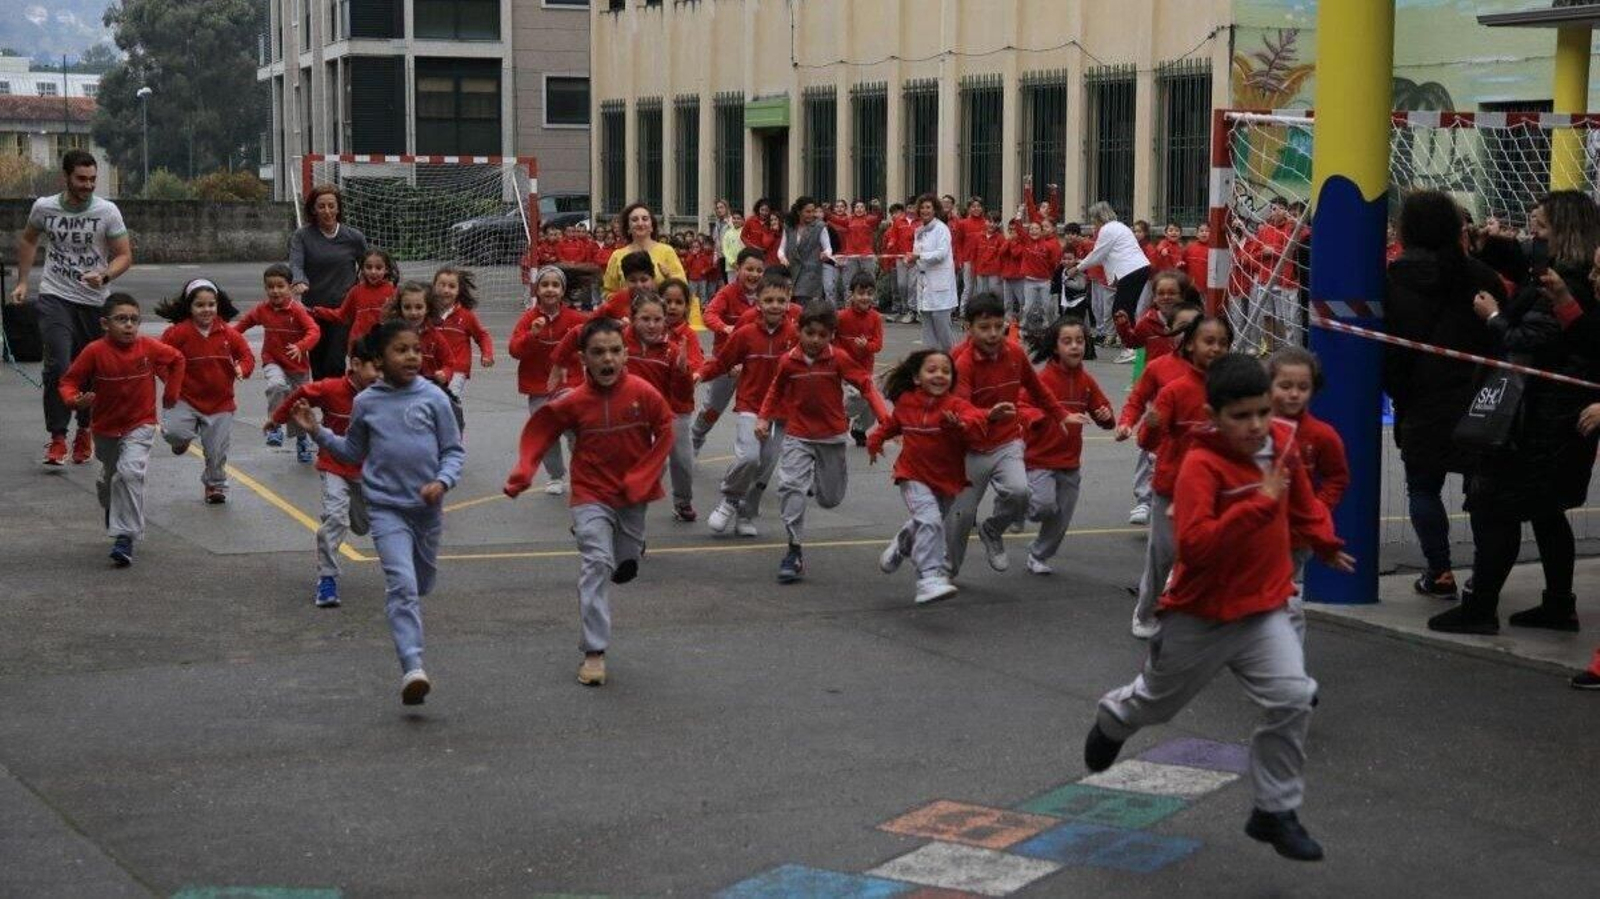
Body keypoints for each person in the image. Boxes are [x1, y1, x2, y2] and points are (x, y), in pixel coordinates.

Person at [1086, 353, 1353, 864]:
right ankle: (1114, 721)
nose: (1255, 426)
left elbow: (1300, 502)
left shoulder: (1281, 442)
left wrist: (1322, 539)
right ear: (1214, 416)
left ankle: (1274, 810)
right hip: (1201, 613)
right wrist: (1257, 505)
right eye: (1240, 416)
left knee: (1294, 698)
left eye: (1261, 412)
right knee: (1156, 704)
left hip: (1263, 607)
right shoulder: (1200, 466)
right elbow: (1197, 547)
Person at [1430, 191, 1600, 636]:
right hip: (1551, 415)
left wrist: (1493, 317)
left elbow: (1533, 338)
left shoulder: (1568, 285)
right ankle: (1558, 603)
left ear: (1564, 231)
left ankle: (1481, 605)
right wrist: (1491, 244)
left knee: (1493, 506)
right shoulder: (1557, 277)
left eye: (1540, 226)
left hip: (1540, 418)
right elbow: (1525, 270)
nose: (1531, 235)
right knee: (1546, 510)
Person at [290, 320, 465, 706]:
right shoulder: (366, 402)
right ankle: (413, 667)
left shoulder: (434, 398)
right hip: (385, 509)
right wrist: (317, 432)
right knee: (401, 586)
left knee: (421, 582)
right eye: (401, 350)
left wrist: (443, 480)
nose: (412, 356)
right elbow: (353, 453)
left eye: (416, 349)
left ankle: (412, 601)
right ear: (380, 360)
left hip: (427, 510)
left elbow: (453, 450)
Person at [505, 317, 674, 688]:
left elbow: (665, 433)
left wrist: (644, 476)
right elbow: (541, 430)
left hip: (632, 495)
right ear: (583, 359)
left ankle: (624, 548)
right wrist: (523, 470)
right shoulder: (574, 401)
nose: (607, 359)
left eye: (614, 351)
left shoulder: (644, 393)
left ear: (626, 353)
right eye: (598, 353)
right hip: (590, 493)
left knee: (624, 560)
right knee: (597, 561)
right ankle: (594, 652)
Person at [1382, 190, 1503, 599]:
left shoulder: (1392, 280)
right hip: (1479, 398)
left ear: (1406, 230)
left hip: (1421, 399)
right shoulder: (1481, 276)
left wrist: (1399, 390)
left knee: (1422, 487)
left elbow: (1390, 351)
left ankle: (1440, 570)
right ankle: (1483, 580)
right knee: (1483, 493)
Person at [10, 149, 133, 466]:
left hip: (94, 302)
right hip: (55, 297)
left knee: (90, 371)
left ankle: (85, 429)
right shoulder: (44, 207)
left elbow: (123, 255)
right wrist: (23, 281)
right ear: (65, 177)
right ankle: (57, 437)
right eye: (81, 179)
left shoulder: (107, 212)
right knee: (58, 366)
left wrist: (105, 274)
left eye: (92, 179)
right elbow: (28, 240)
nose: (88, 185)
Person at [756, 301, 890, 583]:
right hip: (798, 434)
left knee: (830, 499)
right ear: (799, 330)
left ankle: (817, 480)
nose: (815, 340)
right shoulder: (788, 361)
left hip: (830, 435)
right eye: (810, 333)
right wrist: (763, 418)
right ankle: (793, 551)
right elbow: (775, 389)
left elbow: (866, 384)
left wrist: (883, 418)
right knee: (790, 487)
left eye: (822, 334)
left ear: (831, 336)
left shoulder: (838, 359)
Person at [57, 293, 186, 566]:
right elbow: (69, 382)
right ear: (105, 323)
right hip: (105, 427)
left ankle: (124, 537)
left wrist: (171, 396)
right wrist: (74, 400)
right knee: (111, 478)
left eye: (134, 320)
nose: (129, 325)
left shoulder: (148, 347)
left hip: (141, 424)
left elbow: (177, 360)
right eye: (121, 319)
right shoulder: (94, 351)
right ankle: (112, 505)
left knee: (130, 473)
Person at [945, 293, 1066, 575]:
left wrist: (1061, 414)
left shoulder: (1015, 353)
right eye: (984, 327)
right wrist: (987, 415)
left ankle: (992, 530)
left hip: (1006, 442)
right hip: (970, 448)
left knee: (1020, 492)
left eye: (998, 326)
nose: (992, 334)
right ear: (968, 327)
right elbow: (960, 407)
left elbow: (1037, 388)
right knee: (961, 516)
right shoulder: (963, 363)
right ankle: (948, 569)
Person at [1131, 313, 1234, 639]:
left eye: (1222, 342)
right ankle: (1145, 611)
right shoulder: (1174, 391)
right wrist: (1151, 426)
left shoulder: (1231, 390)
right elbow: (1146, 442)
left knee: (1205, 554)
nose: (1215, 348)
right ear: (1189, 344)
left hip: (1215, 490)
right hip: (1171, 487)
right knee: (1162, 554)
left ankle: (1192, 611)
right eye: (1208, 341)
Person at [869, 350, 996, 605]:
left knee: (927, 520)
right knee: (931, 522)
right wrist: (874, 440)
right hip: (912, 476)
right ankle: (928, 578)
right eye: (932, 370)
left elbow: (976, 425)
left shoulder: (956, 406)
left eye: (945, 371)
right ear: (917, 377)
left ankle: (902, 543)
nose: (939, 375)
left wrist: (962, 425)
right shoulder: (907, 401)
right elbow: (893, 423)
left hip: (946, 481)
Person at [271, 343, 381, 609]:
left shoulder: (385, 395)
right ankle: (327, 578)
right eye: (375, 368)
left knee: (362, 525)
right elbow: (301, 393)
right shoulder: (332, 389)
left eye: (384, 368)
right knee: (335, 518)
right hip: (334, 465)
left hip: (367, 472)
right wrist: (277, 419)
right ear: (355, 364)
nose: (380, 374)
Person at [695, 271, 800, 537]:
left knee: (765, 466)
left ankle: (745, 514)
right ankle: (729, 499)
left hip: (781, 412)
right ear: (758, 303)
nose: (775, 305)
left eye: (780, 299)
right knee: (749, 457)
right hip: (750, 405)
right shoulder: (745, 334)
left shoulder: (796, 335)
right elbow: (722, 362)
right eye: (769, 300)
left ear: (788, 301)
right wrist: (699, 374)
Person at [1018, 317, 1114, 575]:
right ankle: (1017, 505)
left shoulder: (1086, 381)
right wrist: (1037, 418)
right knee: (1042, 506)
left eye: (1080, 341)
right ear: (1055, 346)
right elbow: (1021, 406)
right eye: (1067, 341)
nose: (1075, 347)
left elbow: (1102, 410)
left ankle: (1039, 554)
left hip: (1070, 461)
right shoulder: (1043, 379)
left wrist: (1106, 416)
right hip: (1039, 458)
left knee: (1061, 518)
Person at [1267, 346, 1349, 641]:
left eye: (1303, 387)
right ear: (1269, 386)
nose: (1294, 394)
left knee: (1280, 592)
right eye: (1285, 386)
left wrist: (1318, 507)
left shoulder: (1321, 435)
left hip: (1296, 534)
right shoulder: (1254, 427)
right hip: (1254, 528)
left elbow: (1337, 477)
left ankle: (1287, 660)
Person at [155, 278, 255, 504]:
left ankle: (215, 485)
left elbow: (247, 356)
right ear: (189, 307)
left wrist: (242, 368)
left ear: (218, 305)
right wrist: (171, 381)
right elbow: (159, 360)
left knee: (216, 451)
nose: (206, 310)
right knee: (174, 433)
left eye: (211, 304)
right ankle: (182, 441)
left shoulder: (229, 334)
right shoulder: (176, 333)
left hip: (220, 403)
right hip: (185, 398)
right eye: (200, 305)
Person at [509, 266, 588, 496]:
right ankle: (555, 476)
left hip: (569, 383)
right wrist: (532, 335)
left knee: (576, 430)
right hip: (539, 388)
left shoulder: (574, 318)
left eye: (555, 285)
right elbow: (515, 350)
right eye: (545, 285)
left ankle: (583, 470)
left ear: (562, 290)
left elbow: (593, 337)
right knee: (547, 434)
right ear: (537, 289)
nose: (550, 289)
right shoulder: (528, 318)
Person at [236, 263, 322, 463]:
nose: (275, 291)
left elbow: (314, 331)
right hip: (273, 360)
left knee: (299, 405)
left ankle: (302, 440)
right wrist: (225, 339)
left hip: (297, 367)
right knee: (276, 385)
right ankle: (274, 428)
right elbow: (242, 325)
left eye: (280, 286)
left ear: (291, 287)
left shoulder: (298, 310)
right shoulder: (262, 310)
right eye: (270, 286)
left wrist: (301, 346)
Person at [290, 185, 369, 379]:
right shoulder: (302, 236)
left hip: (342, 311)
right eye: (321, 206)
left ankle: (337, 407)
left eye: (331, 206)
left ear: (338, 208)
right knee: (319, 366)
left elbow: (369, 265)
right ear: (313, 210)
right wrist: (299, 281)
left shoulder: (354, 237)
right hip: (313, 310)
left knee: (334, 362)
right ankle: (327, 406)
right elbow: (296, 264)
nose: (327, 211)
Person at [694, 248, 768, 453]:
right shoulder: (727, 292)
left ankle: (750, 458)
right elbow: (709, 315)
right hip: (726, 362)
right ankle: (696, 437)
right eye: (749, 269)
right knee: (712, 409)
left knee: (758, 412)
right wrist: (725, 328)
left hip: (754, 365)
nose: (754, 274)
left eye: (759, 270)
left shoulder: (767, 295)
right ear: (738, 268)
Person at [1068, 202, 1153, 364]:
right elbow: (1108, 255)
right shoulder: (1120, 226)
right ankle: (1135, 346)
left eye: (1094, 219)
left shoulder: (1107, 230)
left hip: (1131, 270)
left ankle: (1131, 348)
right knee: (1128, 308)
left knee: (1120, 310)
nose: (1094, 223)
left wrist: (1077, 268)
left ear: (1099, 218)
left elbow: (1098, 254)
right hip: (1138, 268)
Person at [658, 279, 705, 521]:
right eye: (668, 301)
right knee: (651, 463)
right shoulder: (650, 330)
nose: (673, 307)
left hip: (679, 409)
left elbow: (698, 366)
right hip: (650, 410)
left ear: (687, 306)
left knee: (683, 462)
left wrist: (691, 371)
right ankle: (630, 506)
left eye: (679, 302)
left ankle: (683, 501)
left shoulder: (688, 336)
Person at [311, 247, 398, 352]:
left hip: (384, 345)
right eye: (368, 267)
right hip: (359, 346)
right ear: (362, 269)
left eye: (378, 268)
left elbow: (400, 318)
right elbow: (342, 315)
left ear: (386, 269)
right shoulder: (356, 291)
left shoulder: (393, 292)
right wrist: (318, 311)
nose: (373, 272)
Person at [836, 271, 886, 445]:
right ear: (852, 295)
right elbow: (833, 341)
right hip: (846, 371)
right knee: (857, 397)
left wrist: (866, 346)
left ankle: (859, 428)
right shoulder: (841, 317)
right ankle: (840, 416)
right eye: (861, 293)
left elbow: (878, 345)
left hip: (866, 369)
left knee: (872, 401)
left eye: (869, 293)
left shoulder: (876, 318)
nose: (865, 297)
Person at [601, 202, 689, 293]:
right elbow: (608, 292)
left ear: (652, 226)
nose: (640, 223)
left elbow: (683, 287)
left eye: (645, 219)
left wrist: (669, 277)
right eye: (635, 220)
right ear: (628, 228)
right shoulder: (617, 255)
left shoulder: (667, 251)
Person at [908, 194, 958, 352]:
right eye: (922, 207)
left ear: (935, 209)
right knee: (928, 327)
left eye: (928, 207)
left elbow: (941, 254)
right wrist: (911, 259)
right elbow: (916, 253)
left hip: (940, 283)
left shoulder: (942, 229)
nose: (924, 210)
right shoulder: (919, 231)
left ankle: (952, 358)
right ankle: (931, 359)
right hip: (924, 283)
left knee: (942, 325)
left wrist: (919, 256)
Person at [778, 196, 834, 306]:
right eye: (807, 212)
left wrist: (826, 254)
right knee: (791, 302)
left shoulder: (820, 226)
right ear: (799, 212)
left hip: (811, 273)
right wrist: (782, 258)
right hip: (792, 271)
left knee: (803, 302)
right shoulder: (789, 226)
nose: (811, 214)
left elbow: (828, 248)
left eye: (813, 211)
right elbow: (781, 248)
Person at [828, 199, 884, 302]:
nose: (859, 209)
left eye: (862, 207)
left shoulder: (869, 219)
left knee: (870, 280)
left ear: (865, 209)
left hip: (866, 255)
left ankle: (873, 304)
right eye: (857, 207)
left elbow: (879, 218)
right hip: (851, 255)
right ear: (853, 209)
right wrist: (827, 211)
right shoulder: (848, 220)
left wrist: (877, 208)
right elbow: (834, 219)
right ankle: (848, 303)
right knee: (848, 282)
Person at [1018, 220, 1063, 335]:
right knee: (1028, 306)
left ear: (1041, 231)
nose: (1034, 231)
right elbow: (1019, 229)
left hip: (1045, 281)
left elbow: (1054, 262)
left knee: (1047, 306)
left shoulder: (1047, 245)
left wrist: (1052, 276)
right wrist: (1019, 215)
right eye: (1031, 229)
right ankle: (1023, 326)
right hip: (1029, 281)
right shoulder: (1026, 242)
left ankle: (1048, 326)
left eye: (1037, 229)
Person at [741, 198, 781, 265]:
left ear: (770, 211)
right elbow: (743, 236)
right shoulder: (751, 220)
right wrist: (752, 246)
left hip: (767, 255)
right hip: (753, 253)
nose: (764, 213)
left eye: (767, 210)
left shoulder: (771, 222)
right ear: (758, 209)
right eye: (762, 210)